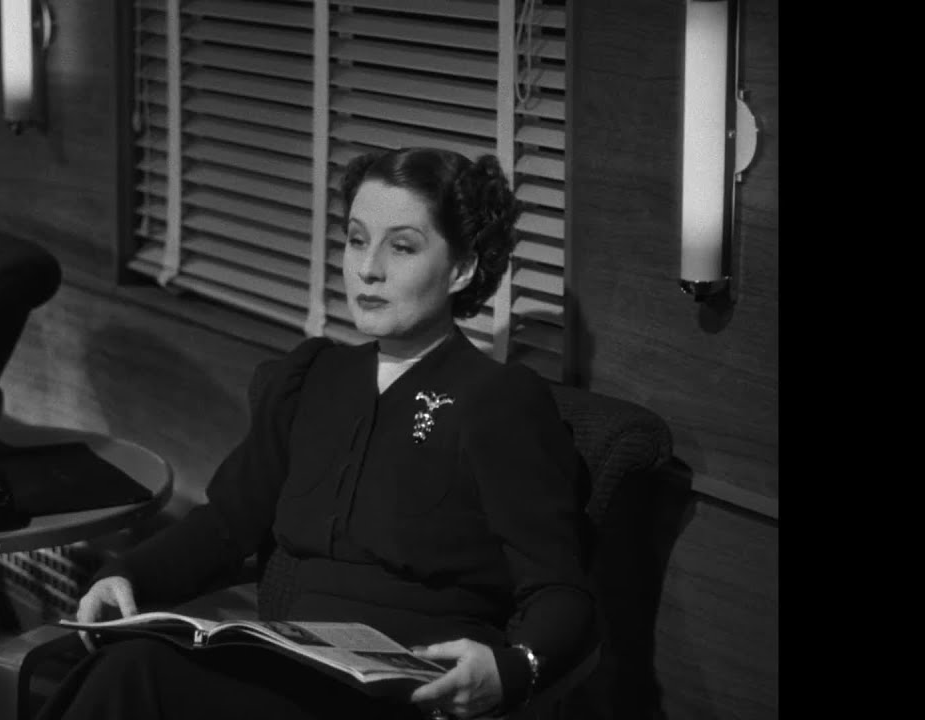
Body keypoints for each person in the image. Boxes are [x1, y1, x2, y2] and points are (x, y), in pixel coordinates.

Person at [36, 147, 595, 720]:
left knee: (134, 677)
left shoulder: (500, 400)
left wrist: (513, 669)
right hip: (289, 669)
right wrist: (126, 574)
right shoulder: (312, 378)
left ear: (463, 269)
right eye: (356, 239)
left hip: (407, 694)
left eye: (402, 247)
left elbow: (561, 590)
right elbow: (225, 525)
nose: (368, 268)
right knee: (129, 666)